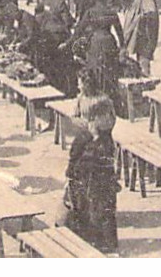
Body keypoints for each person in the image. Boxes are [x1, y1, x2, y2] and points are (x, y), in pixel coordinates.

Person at [63, 97, 120, 253]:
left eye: (111, 117)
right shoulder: (85, 136)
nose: (111, 120)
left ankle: (107, 245)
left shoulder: (105, 136)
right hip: (86, 182)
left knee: (104, 213)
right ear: (95, 119)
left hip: (102, 182)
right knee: (88, 213)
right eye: (106, 117)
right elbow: (76, 159)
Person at [120, 0, 160, 76]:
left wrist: (139, 21)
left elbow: (150, 15)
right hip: (138, 35)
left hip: (145, 36)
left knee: (143, 63)